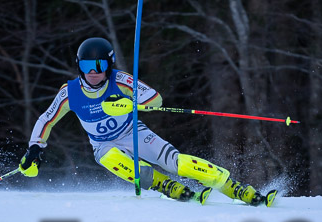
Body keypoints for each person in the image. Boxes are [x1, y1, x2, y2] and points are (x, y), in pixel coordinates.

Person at [18, 37, 276, 207]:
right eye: (87, 65)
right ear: (79, 66)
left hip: (133, 132)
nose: (93, 71)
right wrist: (35, 148)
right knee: (108, 157)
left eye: (99, 64)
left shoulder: (120, 80)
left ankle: (234, 188)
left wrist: (128, 103)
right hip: (104, 144)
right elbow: (46, 119)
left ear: (109, 64)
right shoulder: (70, 92)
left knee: (177, 162)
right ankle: (163, 185)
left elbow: (155, 99)